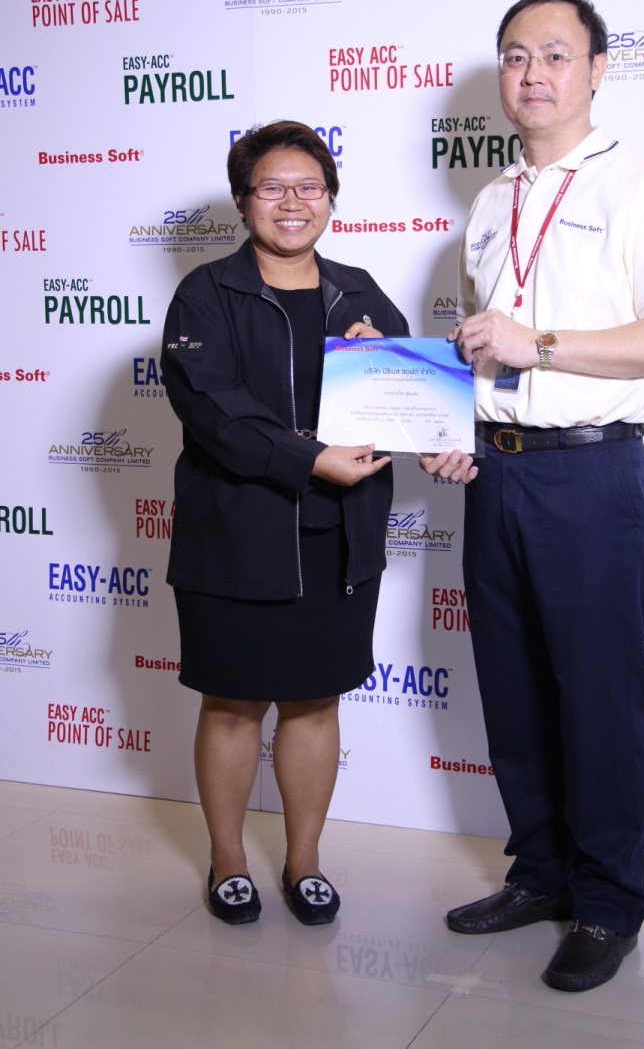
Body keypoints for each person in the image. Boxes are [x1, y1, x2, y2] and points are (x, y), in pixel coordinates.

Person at [420, 0, 644, 991]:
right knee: (511, 688)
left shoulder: (639, 182)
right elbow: (486, 350)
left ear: (596, 69)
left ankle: (606, 904)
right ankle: (539, 873)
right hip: (495, 472)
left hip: (588, 473)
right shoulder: (489, 202)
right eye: (514, 55)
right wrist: (454, 425)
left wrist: (535, 342)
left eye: (553, 53)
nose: (532, 72)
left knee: (596, 696)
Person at [162, 120, 408, 927]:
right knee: (232, 704)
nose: (292, 202)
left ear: (331, 199)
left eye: (309, 186)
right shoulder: (206, 293)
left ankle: (304, 861)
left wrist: (385, 358)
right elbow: (214, 411)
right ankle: (228, 859)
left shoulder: (359, 291)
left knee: (314, 703)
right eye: (272, 187)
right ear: (244, 201)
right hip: (237, 533)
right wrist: (309, 458)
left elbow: (408, 401)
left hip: (339, 538)